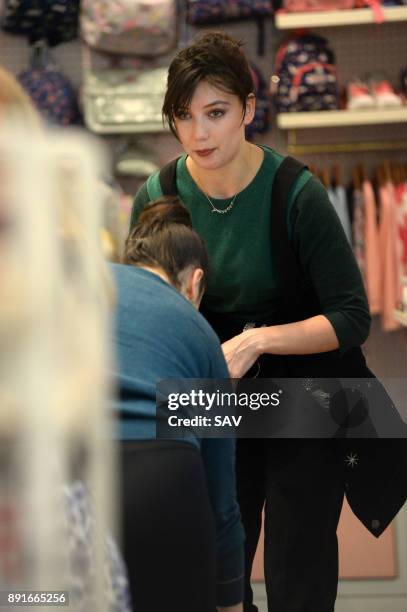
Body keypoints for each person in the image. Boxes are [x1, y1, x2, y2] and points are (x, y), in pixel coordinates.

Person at [129, 31, 380, 612]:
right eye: (183, 117)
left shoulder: (297, 193)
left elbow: (351, 317)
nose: (198, 134)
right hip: (212, 399)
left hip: (302, 397)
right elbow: (145, 309)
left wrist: (256, 340)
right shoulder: (159, 194)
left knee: (300, 574)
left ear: (248, 107)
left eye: (215, 113)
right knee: (218, 574)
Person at [110, 196, 244, 612]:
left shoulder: (77, 286)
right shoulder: (199, 331)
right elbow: (222, 501)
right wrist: (231, 600)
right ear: (195, 283)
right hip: (162, 475)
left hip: (69, 462)